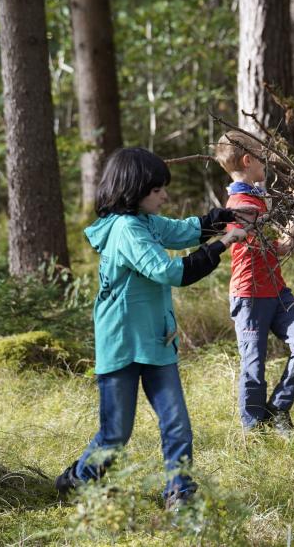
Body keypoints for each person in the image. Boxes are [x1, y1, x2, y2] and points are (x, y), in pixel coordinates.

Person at [54, 147, 247, 508]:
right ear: (133, 189)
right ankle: (78, 480)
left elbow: (181, 231)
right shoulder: (126, 229)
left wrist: (224, 217)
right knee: (115, 435)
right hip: (123, 345)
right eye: (157, 189)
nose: (165, 195)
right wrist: (222, 243)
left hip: (157, 342)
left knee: (177, 425)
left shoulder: (144, 221)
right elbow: (169, 272)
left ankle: (180, 493)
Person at [216, 130, 294, 434]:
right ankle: (254, 430)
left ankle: (278, 409)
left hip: (277, 291)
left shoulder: (260, 197)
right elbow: (256, 239)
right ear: (248, 161)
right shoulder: (239, 203)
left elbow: (277, 246)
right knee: (254, 367)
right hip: (250, 295)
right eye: (262, 157)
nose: (268, 162)